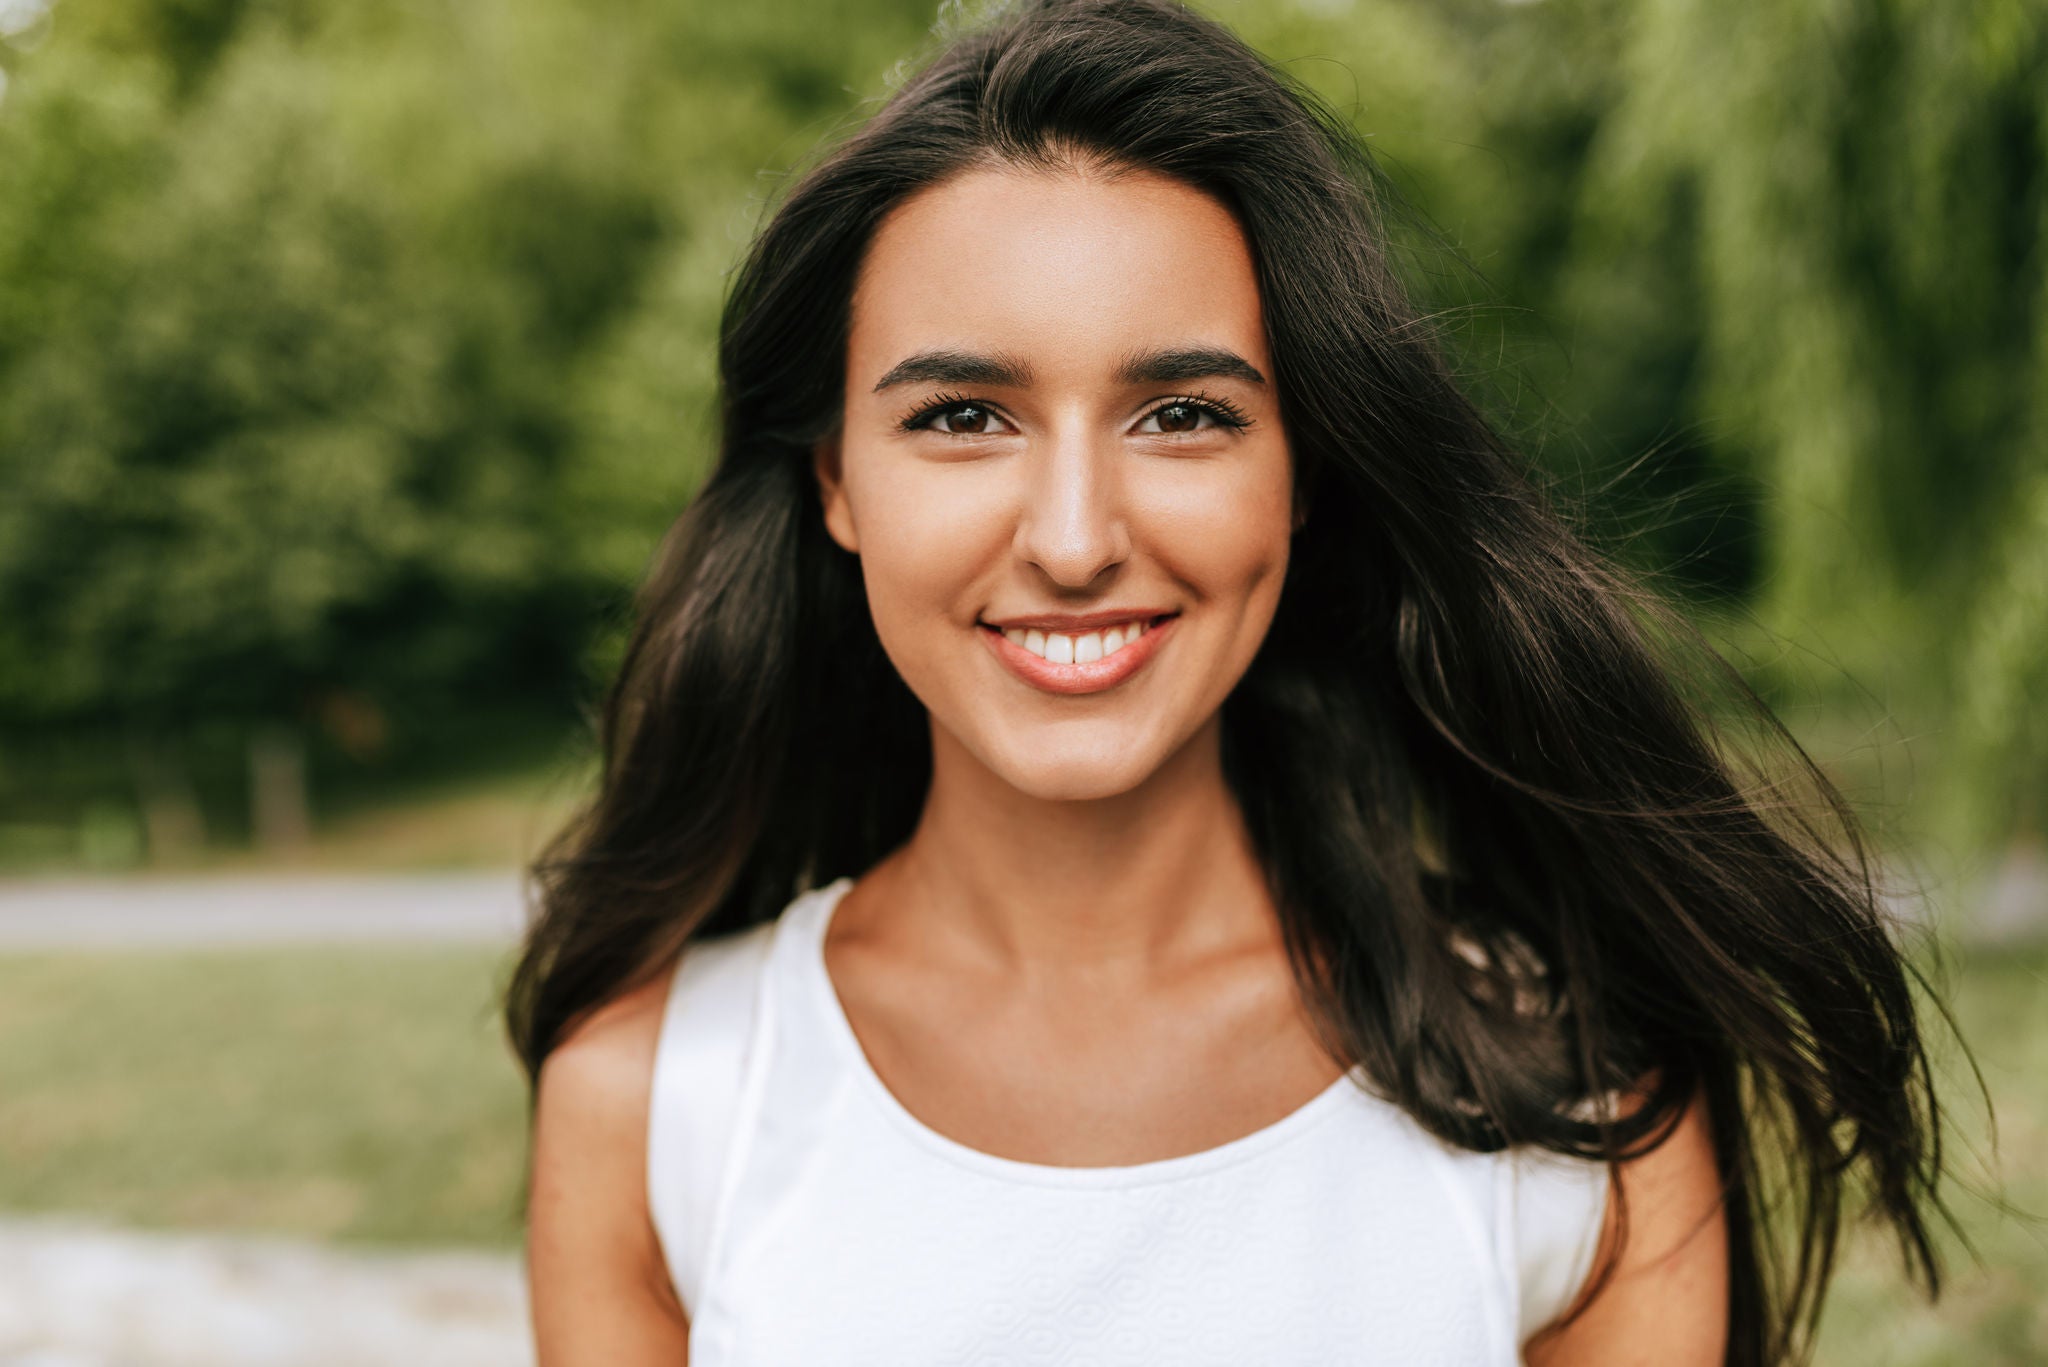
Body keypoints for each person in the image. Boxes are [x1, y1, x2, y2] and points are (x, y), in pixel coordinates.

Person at [504, 1, 1957, 1362]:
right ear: (837, 482)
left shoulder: (1575, 1090)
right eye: (962, 416)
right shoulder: (655, 1104)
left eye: (1184, 415)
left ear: (1300, 479)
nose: (1074, 539)